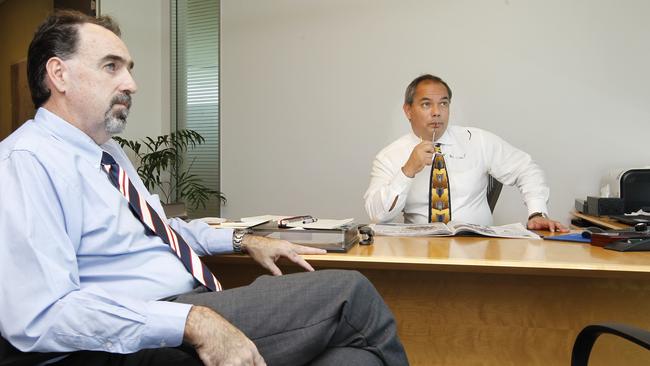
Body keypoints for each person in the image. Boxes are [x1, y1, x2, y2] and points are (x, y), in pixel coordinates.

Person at [0, 11, 408, 366]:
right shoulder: (26, 162)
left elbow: (162, 230)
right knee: (348, 292)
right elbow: (40, 314)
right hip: (143, 329)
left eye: (129, 67)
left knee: (353, 358)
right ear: (59, 74)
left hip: (181, 306)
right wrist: (192, 321)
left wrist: (243, 238)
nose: (131, 83)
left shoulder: (108, 155)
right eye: (111, 66)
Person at [364, 74, 567, 232]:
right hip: (421, 252)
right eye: (426, 104)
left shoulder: (477, 141)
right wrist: (407, 171)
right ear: (408, 111)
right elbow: (378, 216)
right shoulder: (389, 156)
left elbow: (526, 168)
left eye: (443, 103)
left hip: (477, 250)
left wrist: (537, 212)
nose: (437, 112)